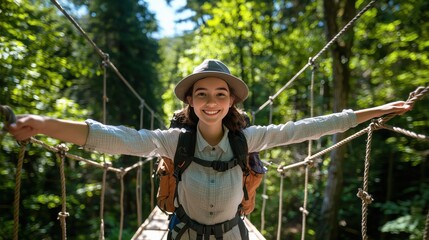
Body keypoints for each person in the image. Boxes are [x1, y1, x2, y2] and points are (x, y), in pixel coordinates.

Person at [7, 59, 411, 240]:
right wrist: (44, 124)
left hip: (234, 235)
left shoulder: (247, 138)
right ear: (191, 102)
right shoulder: (173, 141)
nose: (212, 101)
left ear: (232, 101)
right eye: (202, 94)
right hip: (183, 233)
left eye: (221, 94)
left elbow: (309, 128)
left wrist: (373, 111)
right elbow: (112, 137)